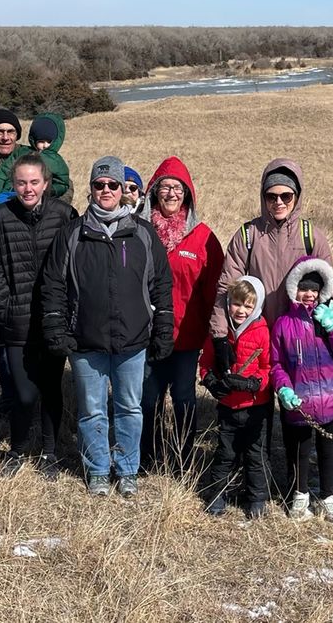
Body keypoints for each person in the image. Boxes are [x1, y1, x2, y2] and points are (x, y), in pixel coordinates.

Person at [40, 156, 174, 498]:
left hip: (133, 340)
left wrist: (163, 326)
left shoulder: (142, 234)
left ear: (122, 190)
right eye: (99, 185)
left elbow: (160, 285)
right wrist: (57, 327)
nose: (106, 191)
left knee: (130, 407)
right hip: (86, 340)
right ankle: (98, 468)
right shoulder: (73, 234)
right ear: (91, 189)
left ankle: (128, 469)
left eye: (112, 185)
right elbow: (53, 284)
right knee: (92, 410)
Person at [0, 154, 77, 479]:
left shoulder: (64, 215)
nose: (28, 188)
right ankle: (17, 449)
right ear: (13, 184)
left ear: (46, 184)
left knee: (50, 387)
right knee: (22, 392)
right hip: (16, 321)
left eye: (34, 182)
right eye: (21, 182)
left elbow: (75, 264)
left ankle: (48, 452)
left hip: (53, 320)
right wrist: (5, 305)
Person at [139, 157, 225, 472]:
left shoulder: (202, 237)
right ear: (154, 192)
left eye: (178, 188)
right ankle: (146, 457)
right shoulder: (139, 231)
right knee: (148, 401)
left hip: (187, 338)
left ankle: (181, 458)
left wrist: (212, 336)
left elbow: (217, 289)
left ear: (188, 194)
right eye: (165, 187)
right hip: (146, 334)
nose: (172, 194)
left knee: (185, 401)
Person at [271, 257, 333, 523]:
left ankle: (328, 496)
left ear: (323, 290)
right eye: (303, 288)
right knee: (301, 448)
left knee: (327, 449)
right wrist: (283, 389)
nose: (309, 294)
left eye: (314, 289)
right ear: (293, 289)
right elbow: (276, 364)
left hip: (332, 398)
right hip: (300, 400)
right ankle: (300, 495)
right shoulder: (284, 323)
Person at [211, 158, 333, 338]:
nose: (279, 202)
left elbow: (329, 287)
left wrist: (327, 324)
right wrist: (219, 335)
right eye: (271, 196)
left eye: (286, 196)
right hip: (257, 336)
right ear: (263, 197)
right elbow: (226, 286)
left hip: (300, 334)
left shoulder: (311, 236)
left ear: (297, 197)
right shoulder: (247, 235)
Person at [199, 276, 271, 519]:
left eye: (248, 306)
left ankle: (257, 498)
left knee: (254, 454)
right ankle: (217, 493)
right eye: (237, 304)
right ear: (229, 303)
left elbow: (268, 367)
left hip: (254, 407)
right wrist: (210, 382)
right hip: (228, 406)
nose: (241, 310)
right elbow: (206, 362)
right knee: (225, 453)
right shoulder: (221, 332)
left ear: (257, 306)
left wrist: (255, 383)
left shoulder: (262, 332)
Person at [0, 113, 73, 203]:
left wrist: (47, 191)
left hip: (37, 199)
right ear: (34, 140)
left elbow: (62, 183)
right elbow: (4, 171)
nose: (44, 145)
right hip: (9, 195)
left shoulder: (57, 161)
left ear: (56, 141)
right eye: (41, 141)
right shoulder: (22, 152)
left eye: (48, 142)